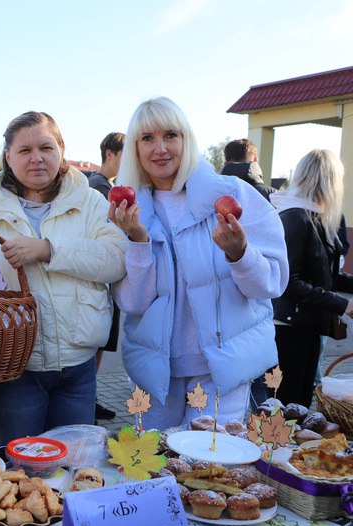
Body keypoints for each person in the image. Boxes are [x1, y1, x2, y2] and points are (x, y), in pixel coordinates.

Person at [108, 97, 288, 430]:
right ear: (135, 147)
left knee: (207, 468)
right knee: (153, 469)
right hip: (155, 373)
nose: (160, 148)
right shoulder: (127, 212)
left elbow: (271, 284)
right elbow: (133, 302)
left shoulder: (233, 194)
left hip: (221, 370)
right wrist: (137, 241)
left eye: (171, 135)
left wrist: (240, 253)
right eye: (147, 138)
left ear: (186, 140)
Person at [0, 111, 127, 447]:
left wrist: (48, 249)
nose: (36, 158)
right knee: (17, 468)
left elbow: (116, 259)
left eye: (46, 147)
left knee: (71, 466)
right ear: (8, 156)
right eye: (24, 150)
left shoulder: (91, 202)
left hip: (77, 369)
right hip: (10, 372)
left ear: (61, 149)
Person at [270, 149, 353, 408]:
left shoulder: (314, 217)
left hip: (308, 326)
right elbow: (287, 282)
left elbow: (325, 276)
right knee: (285, 409)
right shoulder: (295, 218)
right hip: (288, 329)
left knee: (301, 406)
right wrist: (341, 304)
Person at [88, 132, 126, 420]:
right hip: (99, 280)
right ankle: (89, 397)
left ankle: (91, 395)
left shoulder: (109, 186)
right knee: (97, 342)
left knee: (103, 342)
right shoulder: (99, 189)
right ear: (110, 154)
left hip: (107, 280)